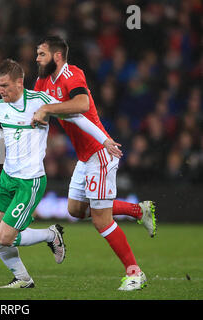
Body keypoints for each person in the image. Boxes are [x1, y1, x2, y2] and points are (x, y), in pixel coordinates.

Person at [0, 59, 121, 288]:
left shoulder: (40, 102)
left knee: (6, 237)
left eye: (4, 85)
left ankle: (51, 235)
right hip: (7, 178)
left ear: (19, 82)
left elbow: (76, 117)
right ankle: (23, 278)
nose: (0, 90)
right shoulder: (1, 108)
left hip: (29, 181)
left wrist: (104, 139)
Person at [31, 36, 156, 291]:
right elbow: (34, 108)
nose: (37, 58)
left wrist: (49, 109)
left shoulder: (73, 74)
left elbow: (82, 104)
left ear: (57, 56)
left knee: (101, 219)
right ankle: (137, 211)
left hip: (100, 152)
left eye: (41, 54)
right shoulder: (42, 82)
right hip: (85, 156)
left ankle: (135, 272)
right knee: (76, 210)